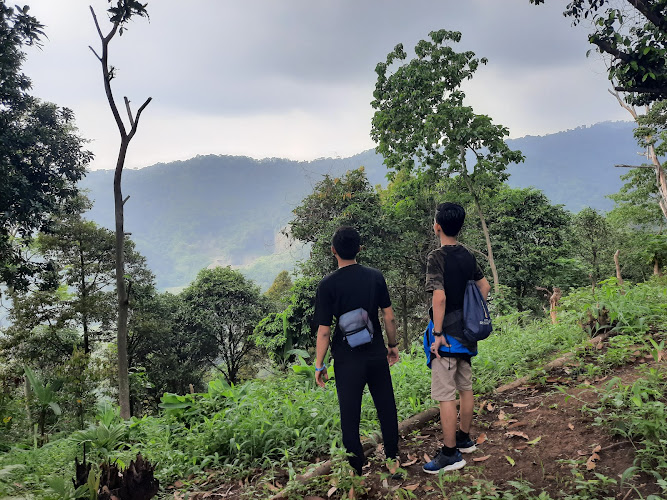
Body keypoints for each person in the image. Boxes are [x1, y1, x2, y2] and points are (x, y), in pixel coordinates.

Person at [313, 226, 400, 476]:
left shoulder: (327, 284)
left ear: (333, 251)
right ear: (359, 249)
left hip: (346, 360)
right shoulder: (375, 276)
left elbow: (324, 331)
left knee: (350, 414)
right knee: (386, 406)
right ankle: (392, 459)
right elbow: (389, 316)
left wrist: (319, 364)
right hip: (375, 355)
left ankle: (356, 470)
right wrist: (392, 346)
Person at [422, 202, 491, 474]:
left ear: (437, 226)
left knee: (446, 395)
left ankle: (450, 454)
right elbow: (484, 286)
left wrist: (437, 334)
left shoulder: (436, 257)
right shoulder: (467, 255)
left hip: (447, 337)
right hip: (466, 333)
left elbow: (439, 297)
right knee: (465, 387)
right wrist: (469, 315)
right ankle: (464, 438)